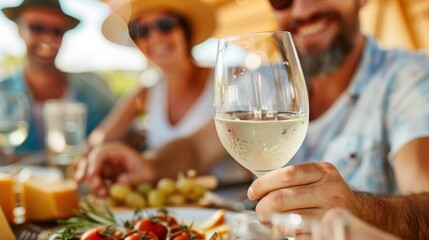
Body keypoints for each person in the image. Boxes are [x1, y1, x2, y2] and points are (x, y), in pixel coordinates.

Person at [76, 0, 429, 238]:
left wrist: (363, 210)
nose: (302, 9)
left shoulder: (409, 78)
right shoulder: (263, 81)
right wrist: (149, 164)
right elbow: (195, 148)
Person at [83, 0, 250, 183]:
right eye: (141, 31)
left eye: (165, 25)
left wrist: (150, 164)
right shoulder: (146, 92)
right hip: (175, 204)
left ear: (187, 30)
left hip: (233, 199)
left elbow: (198, 148)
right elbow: (102, 137)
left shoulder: (231, 80)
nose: (155, 37)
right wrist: (89, 160)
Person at [0, 0, 115, 156]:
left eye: (57, 31)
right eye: (37, 28)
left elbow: (126, 133)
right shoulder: (2, 92)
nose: (48, 39)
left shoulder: (93, 90)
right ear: (20, 30)